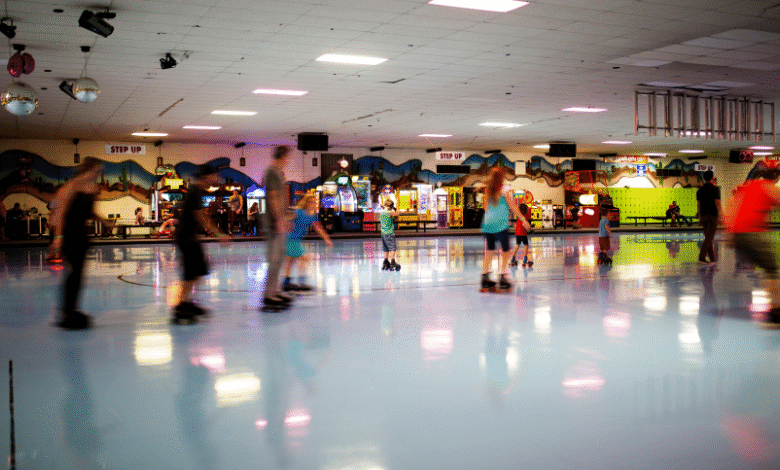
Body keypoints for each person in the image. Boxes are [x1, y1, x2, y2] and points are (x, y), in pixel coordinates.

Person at [50, 157, 114, 329]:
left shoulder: (92, 188)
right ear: (87, 169)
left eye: (99, 171)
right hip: (69, 234)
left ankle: (71, 310)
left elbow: (90, 212)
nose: (97, 174)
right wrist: (58, 238)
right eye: (96, 170)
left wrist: (105, 222)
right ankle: (66, 311)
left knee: (79, 274)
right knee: (73, 273)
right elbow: (61, 213)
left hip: (82, 235)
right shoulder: (72, 185)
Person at [172, 165, 229, 322]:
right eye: (214, 176)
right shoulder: (195, 191)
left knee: (199, 271)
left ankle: (187, 302)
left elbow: (197, 217)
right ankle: (181, 305)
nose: (216, 179)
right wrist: (219, 234)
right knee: (191, 273)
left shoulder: (197, 190)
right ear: (206, 177)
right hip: (186, 238)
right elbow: (200, 217)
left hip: (189, 237)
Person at [724, 176, 780, 328]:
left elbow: (732, 205)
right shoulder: (766, 186)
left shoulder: (746, 186)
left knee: (767, 268)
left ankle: (774, 306)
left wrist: (729, 233)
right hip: (750, 232)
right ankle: (776, 313)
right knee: (772, 269)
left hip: (737, 234)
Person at [262, 145, 294, 310]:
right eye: (288, 156)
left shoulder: (279, 173)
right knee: (274, 260)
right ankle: (269, 295)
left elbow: (281, 199)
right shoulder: (272, 172)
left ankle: (275, 290)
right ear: (282, 156)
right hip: (274, 224)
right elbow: (273, 198)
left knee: (279, 259)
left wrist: (286, 216)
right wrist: (279, 220)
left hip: (279, 221)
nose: (289, 160)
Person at [480, 167, 522, 292]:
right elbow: (513, 206)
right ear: (501, 177)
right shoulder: (506, 189)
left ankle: (485, 279)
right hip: (500, 224)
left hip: (487, 224)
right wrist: (523, 219)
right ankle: (503, 278)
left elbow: (485, 207)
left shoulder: (488, 189)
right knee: (505, 251)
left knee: (489, 250)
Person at [282, 193, 333, 292]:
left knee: (291, 261)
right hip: (291, 239)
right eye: (310, 202)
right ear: (306, 203)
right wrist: (286, 225)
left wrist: (326, 238)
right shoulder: (299, 212)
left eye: (314, 202)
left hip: (295, 240)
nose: (312, 204)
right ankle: (300, 283)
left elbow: (318, 228)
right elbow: (288, 218)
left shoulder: (312, 217)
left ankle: (286, 283)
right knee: (304, 259)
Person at [696, 170, 722, 264]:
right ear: (712, 178)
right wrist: (721, 216)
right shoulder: (715, 189)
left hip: (703, 216)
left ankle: (712, 259)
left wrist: (700, 217)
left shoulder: (699, 190)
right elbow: (717, 202)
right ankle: (701, 257)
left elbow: (698, 205)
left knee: (708, 237)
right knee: (709, 238)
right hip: (712, 216)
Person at [379, 198, 400, 271]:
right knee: (392, 247)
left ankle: (385, 261)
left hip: (383, 233)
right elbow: (398, 213)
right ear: (390, 206)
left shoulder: (381, 212)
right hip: (389, 233)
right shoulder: (389, 212)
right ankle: (393, 261)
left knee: (386, 248)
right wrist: (394, 208)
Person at [509, 203, 532, 267]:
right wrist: (529, 230)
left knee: (517, 245)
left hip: (517, 233)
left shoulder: (519, 217)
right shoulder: (525, 217)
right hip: (523, 233)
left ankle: (513, 258)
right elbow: (525, 225)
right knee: (526, 245)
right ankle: (525, 259)